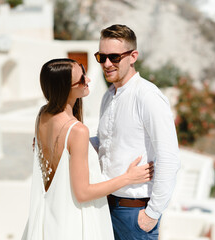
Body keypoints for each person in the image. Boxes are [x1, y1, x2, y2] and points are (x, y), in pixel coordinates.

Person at [21, 58, 153, 240]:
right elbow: (83, 193)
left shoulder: (42, 116)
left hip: (51, 217)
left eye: (84, 71)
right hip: (73, 223)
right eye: (82, 78)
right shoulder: (76, 131)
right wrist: (128, 177)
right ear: (66, 89)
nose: (88, 79)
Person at [93, 24, 180, 239]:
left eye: (114, 57)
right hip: (105, 208)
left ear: (133, 56)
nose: (106, 63)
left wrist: (151, 214)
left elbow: (169, 157)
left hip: (135, 213)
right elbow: (105, 142)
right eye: (101, 57)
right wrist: (61, 139)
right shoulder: (108, 96)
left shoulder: (148, 96)